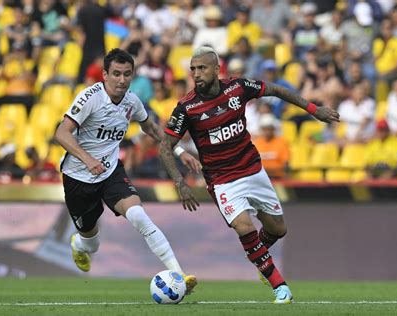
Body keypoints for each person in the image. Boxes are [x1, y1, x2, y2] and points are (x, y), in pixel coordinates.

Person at [159, 46, 340, 304]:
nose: (196, 74)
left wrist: (313, 109)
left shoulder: (238, 88)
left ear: (216, 68)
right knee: (244, 226)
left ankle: (258, 255)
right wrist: (180, 182)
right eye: (193, 69)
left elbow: (275, 90)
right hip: (222, 180)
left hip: (253, 170)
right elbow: (165, 146)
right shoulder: (187, 107)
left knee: (278, 229)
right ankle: (280, 287)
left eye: (202, 68)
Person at [54, 48, 199, 293]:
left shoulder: (132, 101)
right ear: (105, 75)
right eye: (117, 74)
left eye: (127, 74)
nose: (122, 80)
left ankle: (180, 275)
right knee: (91, 242)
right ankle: (80, 245)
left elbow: (152, 130)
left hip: (110, 172)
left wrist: (180, 151)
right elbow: (61, 133)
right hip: (78, 176)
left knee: (138, 215)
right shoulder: (90, 98)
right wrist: (87, 159)